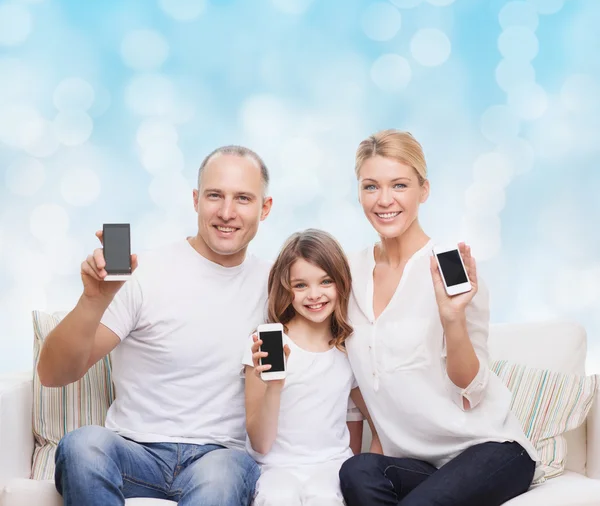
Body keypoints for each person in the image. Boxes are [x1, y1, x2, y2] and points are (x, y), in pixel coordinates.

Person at [37, 145, 273, 506]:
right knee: (82, 445)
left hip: (219, 457)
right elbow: (53, 373)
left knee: (223, 477)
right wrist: (93, 300)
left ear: (264, 208)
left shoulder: (279, 287)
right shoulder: (145, 273)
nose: (227, 212)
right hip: (134, 451)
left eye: (243, 198)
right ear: (195, 200)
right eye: (214, 196)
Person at [339, 129, 540, 506]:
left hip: (489, 450)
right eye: (371, 187)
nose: (384, 200)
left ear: (423, 190)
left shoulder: (448, 266)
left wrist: (452, 318)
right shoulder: (349, 273)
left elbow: (472, 390)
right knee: (356, 470)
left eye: (399, 185)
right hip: (419, 465)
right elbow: (355, 377)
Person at [244, 229, 379, 506]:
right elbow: (260, 444)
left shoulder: (347, 347)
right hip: (275, 468)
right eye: (301, 285)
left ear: (341, 283)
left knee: (325, 498)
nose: (314, 295)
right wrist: (275, 387)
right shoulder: (265, 344)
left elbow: (374, 419)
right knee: (278, 498)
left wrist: (370, 463)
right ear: (286, 289)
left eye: (325, 281)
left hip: (330, 467)